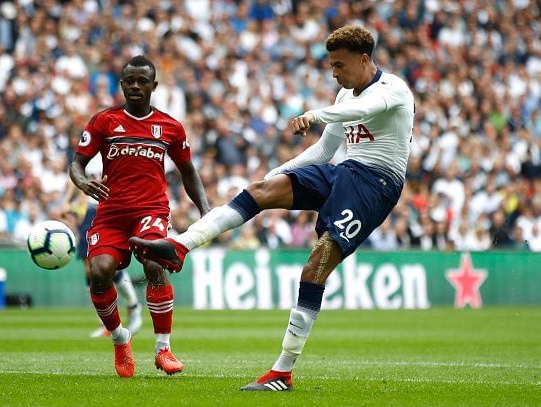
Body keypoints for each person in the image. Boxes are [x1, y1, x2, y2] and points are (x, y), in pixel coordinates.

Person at [130, 26, 414, 390]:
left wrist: (314, 114)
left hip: (376, 185)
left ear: (364, 60)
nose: (334, 73)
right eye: (331, 65)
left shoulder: (393, 90)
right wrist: (277, 172)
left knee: (316, 265)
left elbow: (366, 108)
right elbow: (325, 153)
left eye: (339, 65)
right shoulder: (344, 95)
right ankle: (180, 245)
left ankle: (282, 371)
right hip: (345, 172)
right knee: (260, 191)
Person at [69, 55, 209, 378]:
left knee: (155, 261)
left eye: (142, 81)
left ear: (153, 86)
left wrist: (206, 212)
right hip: (111, 213)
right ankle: (120, 338)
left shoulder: (170, 127)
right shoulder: (104, 121)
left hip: (151, 210)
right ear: (121, 84)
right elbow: (76, 164)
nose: (135, 86)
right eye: (129, 80)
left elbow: (189, 172)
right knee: (100, 271)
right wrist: (83, 183)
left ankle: (163, 349)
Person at [62, 173, 143, 339]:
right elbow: (77, 177)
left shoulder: (115, 148)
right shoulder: (88, 150)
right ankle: (107, 322)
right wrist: (69, 201)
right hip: (90, 208)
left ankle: (132, 305)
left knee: (106, 264)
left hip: (109, 205)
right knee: (90, 268)